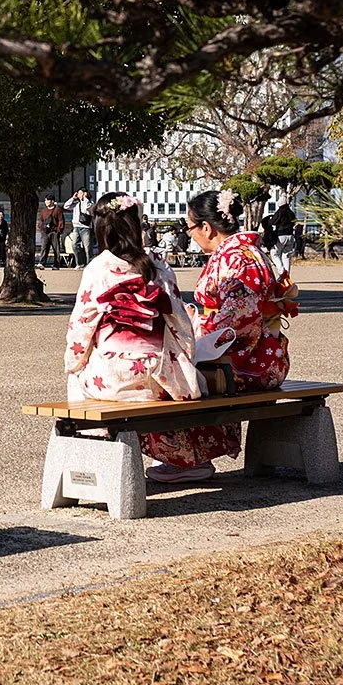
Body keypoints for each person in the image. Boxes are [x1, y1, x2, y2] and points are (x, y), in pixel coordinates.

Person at [65, 193, 211, 484]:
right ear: (136, 224)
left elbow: (81, 327)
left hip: (114, 380)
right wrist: (183, 359)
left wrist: (74, 361)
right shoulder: (158, 265)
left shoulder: (98, 268)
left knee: (77, 377)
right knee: (182, 382)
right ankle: (184, 459)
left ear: (100, 229)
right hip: (158, 379)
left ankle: (98, 457)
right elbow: (180, 322)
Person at [185, 189, 297, 453]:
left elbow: (236, 320)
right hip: (260, 353)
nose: (189, 233)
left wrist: (193, 325)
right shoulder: (246, 253)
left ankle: (190, 456)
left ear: (206, 227)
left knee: (176, 378)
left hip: (248, 362)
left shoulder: (237, 258)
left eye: (190, 227)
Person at [66, 189, 93, 267]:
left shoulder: (90, 203)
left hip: (86, 227)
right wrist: (73, 198)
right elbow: (66, 206)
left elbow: (86, 210)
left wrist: (85, 199)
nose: (79, 194)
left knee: (87, 247)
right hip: (76, 226)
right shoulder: (75, 204)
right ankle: (80, 263)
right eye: (78, 193)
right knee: (74, 244)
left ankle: (89, 265)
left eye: (81, 193)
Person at [39, 198, 65, 268]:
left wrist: (59, 230)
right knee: (44, 247)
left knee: (56, 249)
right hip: (45, 232)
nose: (46, 202)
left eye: (48, 200)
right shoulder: (44, 211)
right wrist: (41, 228)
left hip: (54, 232)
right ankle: (42, 263)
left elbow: (61, 220)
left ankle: (56, 264)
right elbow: (41, 220)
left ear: (52, 201)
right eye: (45, 200)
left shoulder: (58, 210)